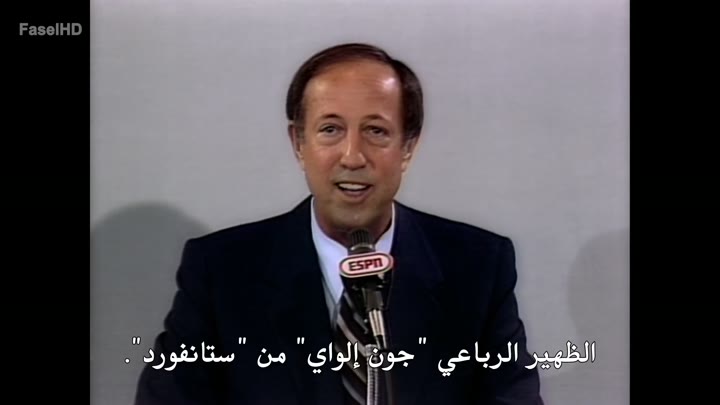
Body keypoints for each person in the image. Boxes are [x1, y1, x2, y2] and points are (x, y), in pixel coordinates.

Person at [135, 43, 543, 405]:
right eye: (330, 130)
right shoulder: (221, 272)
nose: (352, 156)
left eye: (376, 131)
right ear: (299, 144)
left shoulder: (476, 268)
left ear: (408, 147)